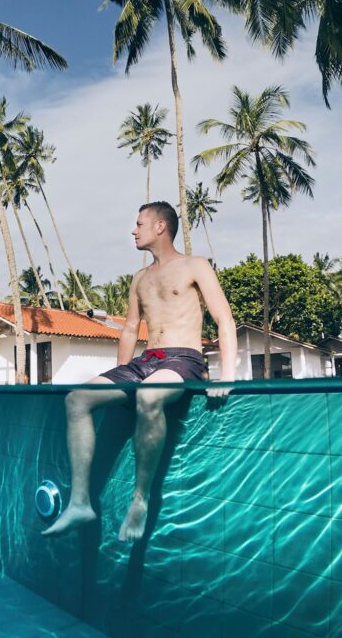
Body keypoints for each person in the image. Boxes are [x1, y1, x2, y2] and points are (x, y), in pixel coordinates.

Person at [42, 201, 236, 541]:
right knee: (76, 400)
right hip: (144, 362)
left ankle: (141, 498)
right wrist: (119, 379)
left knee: (149, 397)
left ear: (160, 227)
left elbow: (224, 319)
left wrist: (229, 375)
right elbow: (130, 329)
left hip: (183, 358)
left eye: (139, 223)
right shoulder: (139, 279)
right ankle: (80, 503)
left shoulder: (195, 265)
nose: (134, 230)